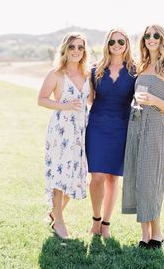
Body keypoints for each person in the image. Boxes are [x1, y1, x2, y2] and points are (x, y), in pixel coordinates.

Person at [122, 24, 164, 249]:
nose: (151, 38)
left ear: (163, 39)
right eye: (148, 35)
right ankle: (144, 234)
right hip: (136, 125)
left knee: (151, 179)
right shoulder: (142, 65)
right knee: (138, 177)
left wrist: (154, 100)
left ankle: (157, 234)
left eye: (156, 35)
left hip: (155, 128)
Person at [38, 32, 91, 239]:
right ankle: (58, 221)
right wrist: (64, 105)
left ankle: (54, 212)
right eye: (72, 47)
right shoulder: (56, 74)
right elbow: (41, 99)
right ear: (65, 49)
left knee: (76, 177)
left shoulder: (88, 75)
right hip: (61, 131)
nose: (76, 51)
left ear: (84, 51)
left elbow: (92, 100)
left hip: (81, 132)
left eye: (80, 47)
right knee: (60, 177)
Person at [86, 28, 136, 238]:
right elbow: (89, 98)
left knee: (113, 179)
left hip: (121, 128)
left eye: (121, 42)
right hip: (97, 125)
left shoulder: (135, 71)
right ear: (107, 44)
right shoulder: (96, 69)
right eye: (112, 41)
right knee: (97, 176)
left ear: (127, 44)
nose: (116, 45)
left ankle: (106, 223)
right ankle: (95, 219)